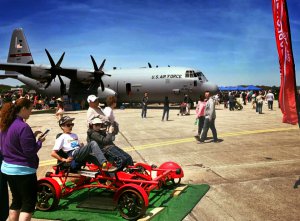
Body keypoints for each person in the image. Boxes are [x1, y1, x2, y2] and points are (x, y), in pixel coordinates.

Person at [0, 98, 46, 221]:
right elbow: (29, 152)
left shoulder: (6, 123)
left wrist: (33, 137)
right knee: (28, 204)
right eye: (30, 109)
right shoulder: (23, 126)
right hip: (23, 171)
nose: (31, 112)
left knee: (16, 201)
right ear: (24, 109)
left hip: (8, 168)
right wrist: (39, 142)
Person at [51, 116, 117, 172]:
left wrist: (81, 146)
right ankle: (104, 164)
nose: (71, 126)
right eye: (68, 125)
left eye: (72, 124)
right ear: (62, 127)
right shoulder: (61, 137)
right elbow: (53, 153)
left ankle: (107, 173)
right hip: (73, 154)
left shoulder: (74, 135)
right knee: (93, 143)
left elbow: (77, 146)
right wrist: (64, 159)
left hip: (79, 152)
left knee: (92, 156)